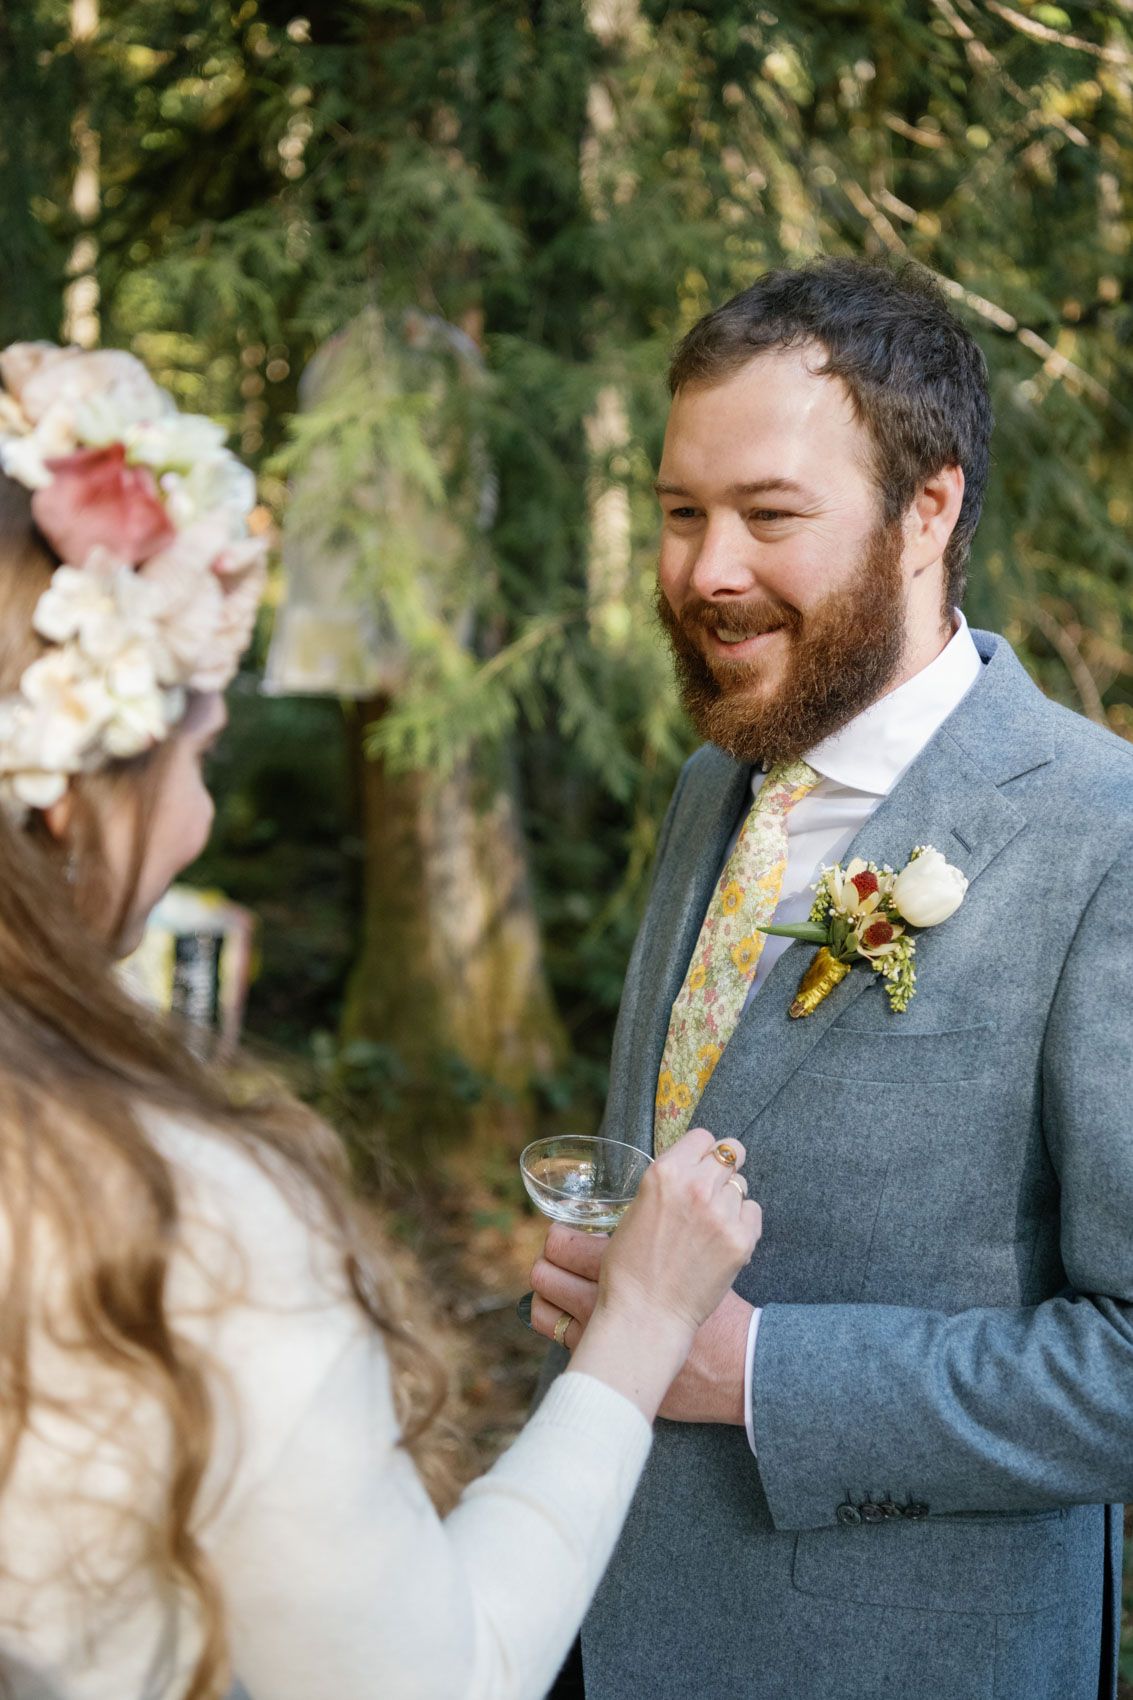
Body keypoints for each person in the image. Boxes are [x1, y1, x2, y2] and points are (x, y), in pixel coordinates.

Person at [0, 340, 761, 1700]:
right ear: (68, 789)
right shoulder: (171, 1212)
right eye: (198, 752)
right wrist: (642, 1325)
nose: (207, 811)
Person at [530, 257, 1133, 1700]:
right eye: (680, 514)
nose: (705, 572)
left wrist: (753, 1374)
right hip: (610, 1630)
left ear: (927, 509)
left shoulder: (1099, 835)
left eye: (768, 517)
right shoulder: (714, 786)